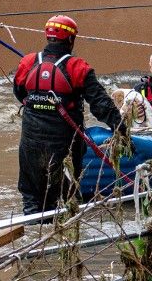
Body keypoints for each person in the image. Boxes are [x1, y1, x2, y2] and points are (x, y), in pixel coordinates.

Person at [13, 15, 125, 215]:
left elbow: (19, 93)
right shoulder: (78, 68)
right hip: (64, 146)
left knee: (32, 201)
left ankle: (33, 232)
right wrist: (122, 129)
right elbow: (101, 105)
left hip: (30, 144)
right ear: (71, 40)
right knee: (66, 199)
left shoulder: (28, 62)